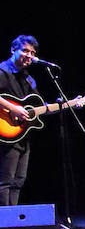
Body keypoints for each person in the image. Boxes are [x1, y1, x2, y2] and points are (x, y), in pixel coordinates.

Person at [0, 36, 42, 205]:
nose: (29, 55)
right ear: (13, 50)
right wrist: (13, 109)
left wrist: (70, 104)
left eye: (32, 53)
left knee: (18, 181)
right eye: (25, 50)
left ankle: (14, 222)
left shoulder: (29, 79)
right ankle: (4, 224)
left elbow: (37, 106)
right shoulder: (3, 71)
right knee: (5, 181)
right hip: (6, 133)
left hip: (22, 135)